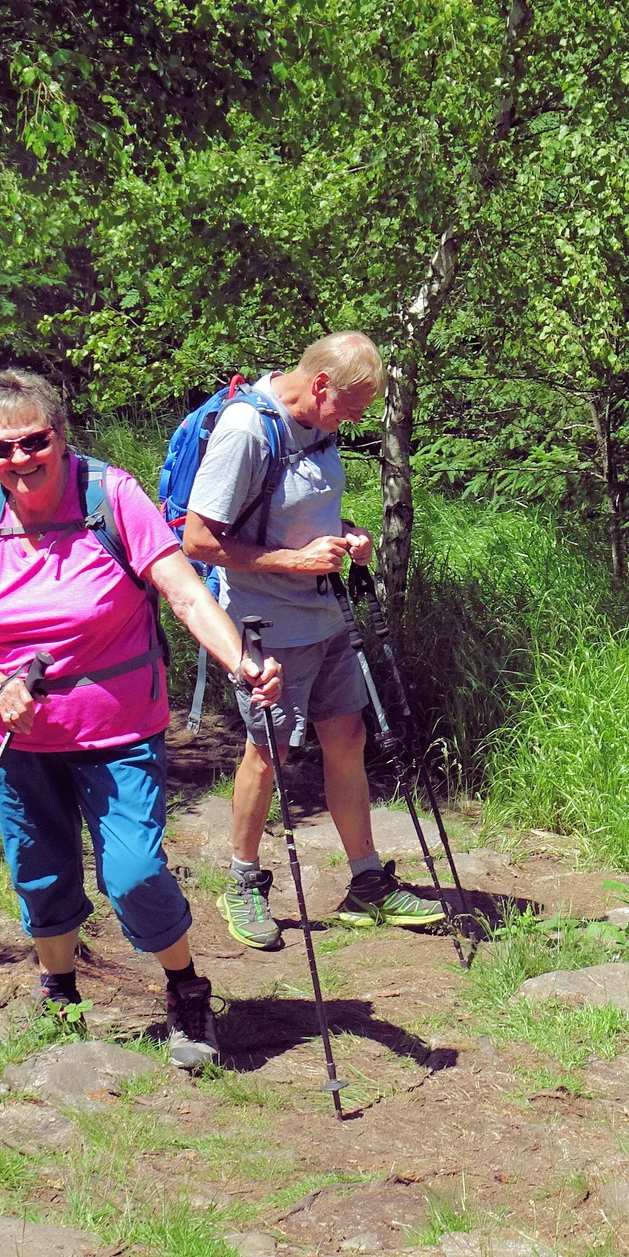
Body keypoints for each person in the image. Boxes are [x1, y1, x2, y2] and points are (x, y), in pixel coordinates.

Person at [0, 369, 282, 1070]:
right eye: (1, 448)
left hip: (116, 728)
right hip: (10, 731)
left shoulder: (110, 495)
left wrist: (243, 661)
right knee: (38, 869)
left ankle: (184, 989)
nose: (20, 459)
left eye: (34, 441)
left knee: (135, 870)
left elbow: (183, 591)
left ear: (60, 435)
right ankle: (59, 991)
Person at [181, 331, 444, 950]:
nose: (358, 420)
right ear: (321, 384)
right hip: (266, 624)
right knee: (268, 752)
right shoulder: (248, 431)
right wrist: (293, 562)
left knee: (346, 738)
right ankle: (242, 881)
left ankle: (366, 883)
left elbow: (305, 513)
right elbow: (196, 541)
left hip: (325, 616)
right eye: (354, 405)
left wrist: (344, 535)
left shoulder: (319, 426)